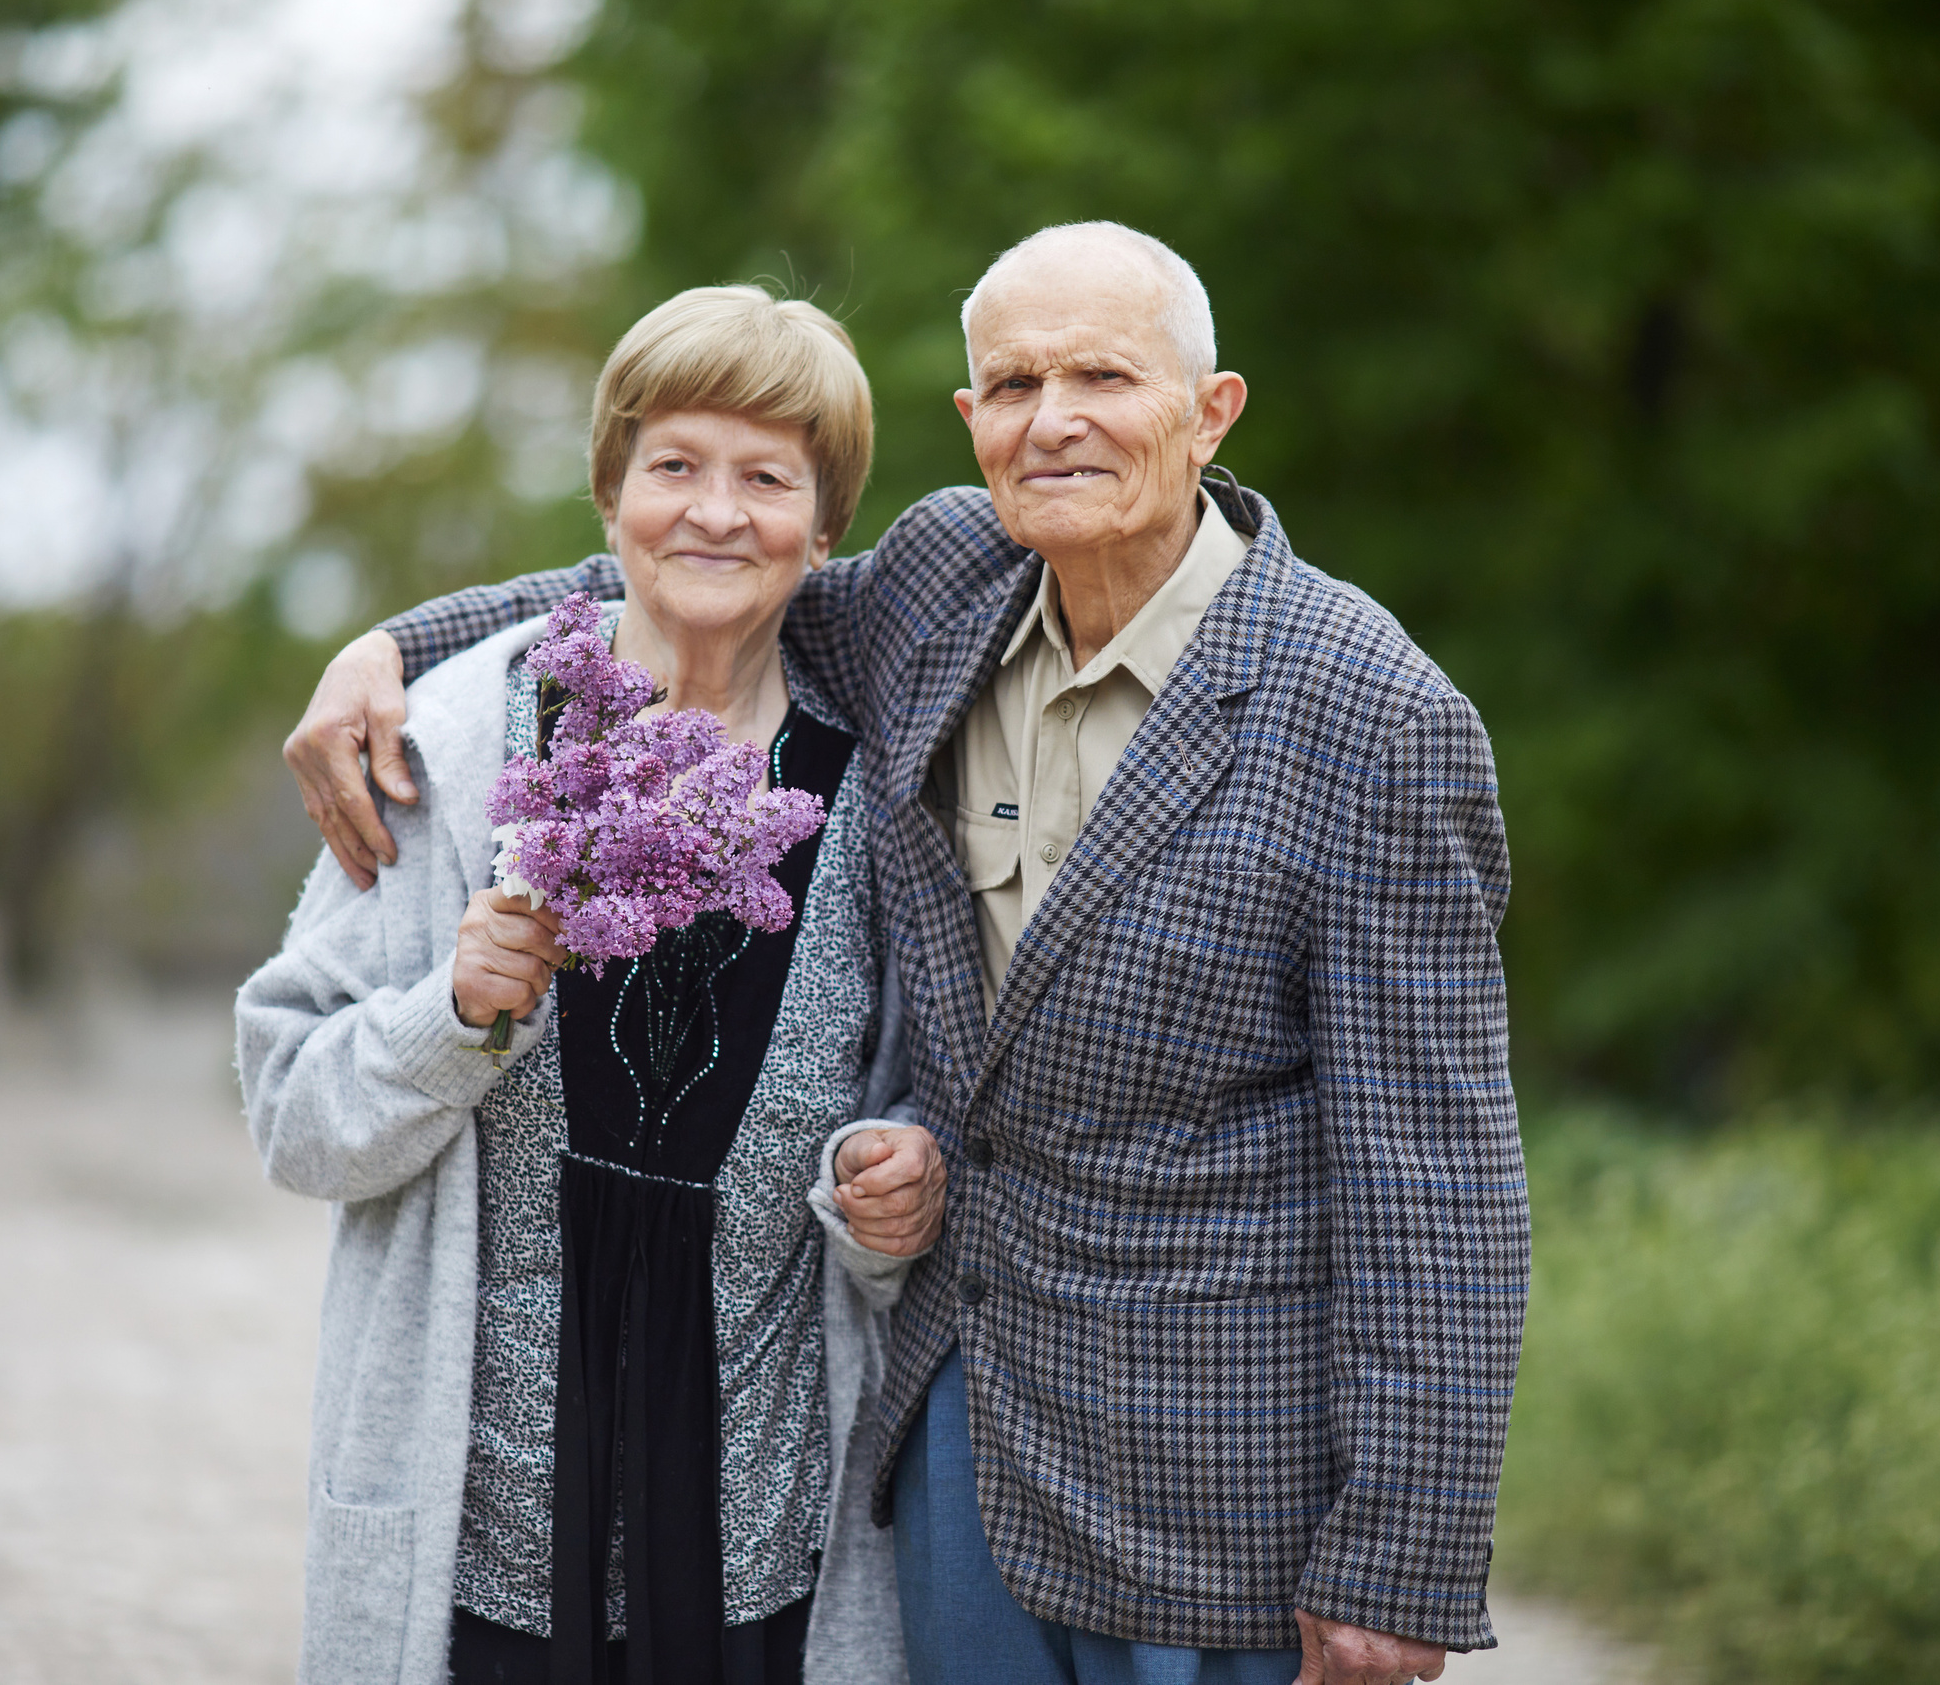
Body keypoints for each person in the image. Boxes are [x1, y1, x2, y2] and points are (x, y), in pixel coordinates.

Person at [287, 224, 1526, 1685]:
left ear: (1213, 410)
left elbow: (1437, 1179)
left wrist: (1399, 1557)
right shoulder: (947, 584)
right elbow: (703, 566)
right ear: (972, 425)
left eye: (1104, 377)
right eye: (1012, 384)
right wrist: (391, 645)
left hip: (1222, 1496)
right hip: (950, 1449)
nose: (1052, 419)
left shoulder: (1374, 718)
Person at [237, 285, 945, 1685]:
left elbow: (911, 1146)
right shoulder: (448, 745)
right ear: (611, 491)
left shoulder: (877, 799)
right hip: (479, 1539)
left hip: (759, 1536)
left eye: (766, 478)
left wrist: (890, 1196)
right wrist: (446, 1017)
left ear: (825, 526)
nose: (715, 513)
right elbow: (290, 1113)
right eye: (674, 465)